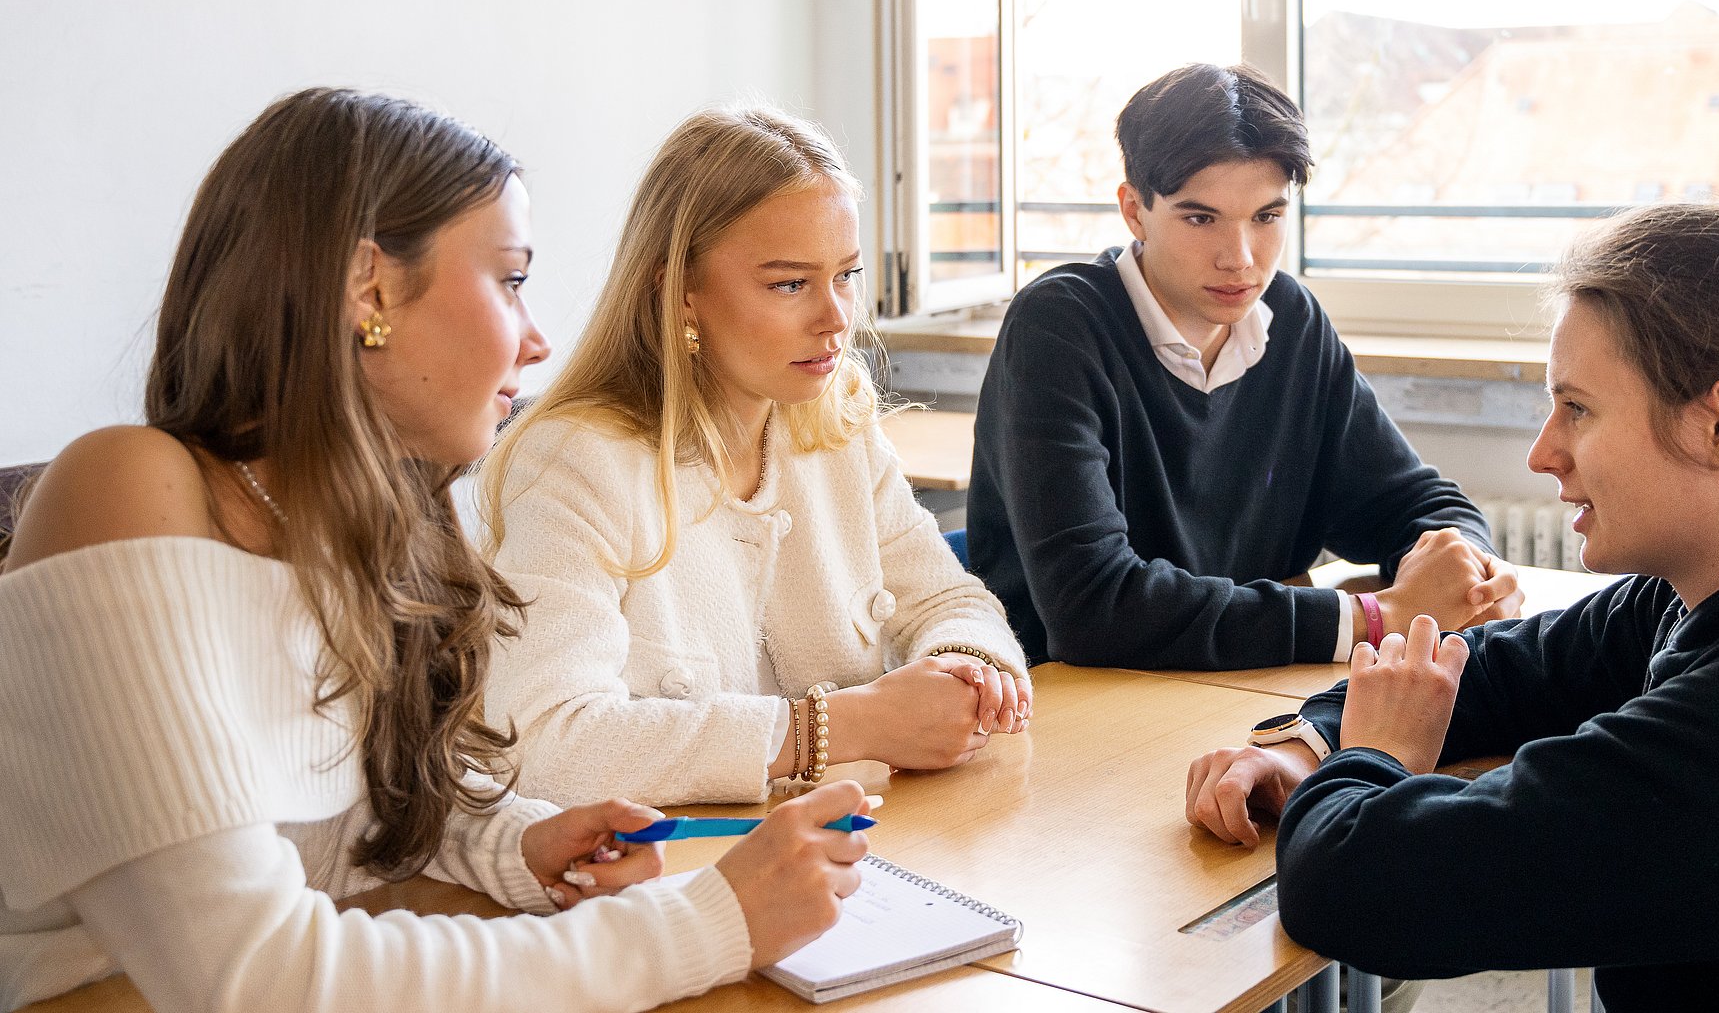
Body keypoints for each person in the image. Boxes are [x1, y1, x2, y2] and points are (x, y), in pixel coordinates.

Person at [0, 89, 870, 1012]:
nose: (536, 343)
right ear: (371, 289)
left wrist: (512, 844)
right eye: (511, 280)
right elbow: (256, 974)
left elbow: (335, 821)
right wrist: (711, 919)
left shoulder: (365, 519)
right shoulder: (126, 485)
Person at [1184, 204, 1719, 1011]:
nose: (1543, 453)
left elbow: (1352, 886)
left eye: (1578, 408)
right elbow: (1504, 669)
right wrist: (1310, 742)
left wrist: (1376, 755)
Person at [479, 107, 1029, 808]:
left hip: (846, 853)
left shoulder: (836, 420)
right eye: (790, 284)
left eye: (847, 275)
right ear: (679, 293)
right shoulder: (578, 461)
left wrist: (967, 666)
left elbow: (949, 600)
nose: (837, 318)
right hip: (666, 884)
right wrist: (843, 727)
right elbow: (544, 744)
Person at [969, 62, 1519, 672]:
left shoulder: (1290, 319)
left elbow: (1410, 500)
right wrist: (1374, 620)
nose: (1241, 259)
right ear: (1134, 211)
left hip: (1245, 685)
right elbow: (1093, 609)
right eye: (1200, 218)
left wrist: (1468, 571)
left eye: (1267, 217)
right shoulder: (1060, 326)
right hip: (1070, 702)